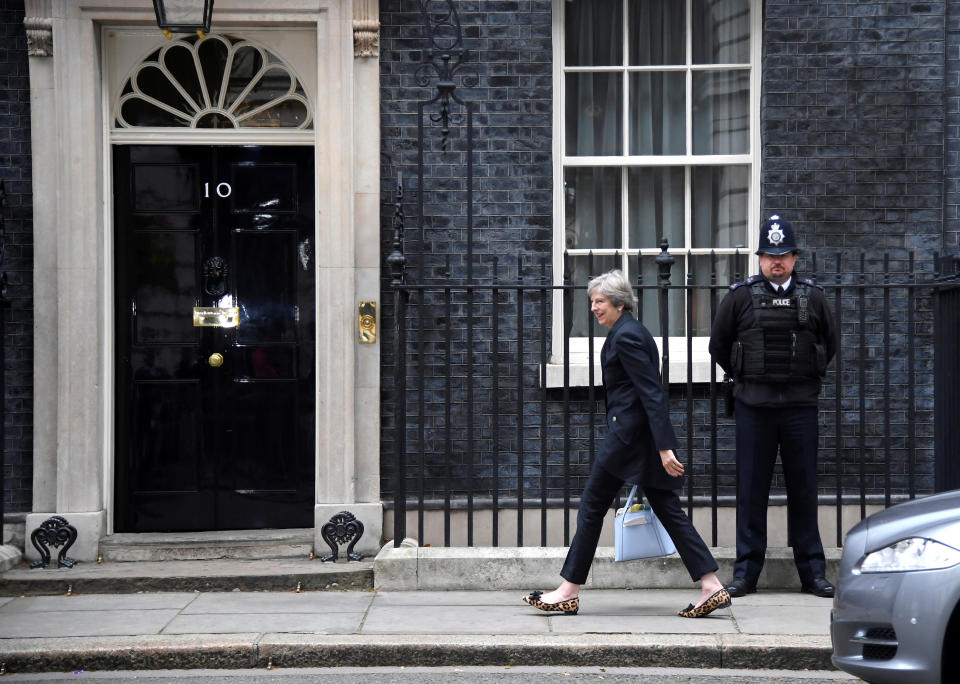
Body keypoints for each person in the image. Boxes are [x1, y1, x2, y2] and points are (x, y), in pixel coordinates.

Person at [522, 270, 730, 618]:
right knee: (667, 508)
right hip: (640, 437)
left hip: (627, 439)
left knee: (591, 505)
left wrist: (665, 448)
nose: (594, 308)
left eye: (599, 301)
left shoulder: (627, 337)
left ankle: (568, 591)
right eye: (592, 302)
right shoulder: (629, 331)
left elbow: (651, 393)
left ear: (619, 302)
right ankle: (711, 585)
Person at [708, 215, 837, 599]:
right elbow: (719, 346)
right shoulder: (739, 297)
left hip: (799, 407)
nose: (775, 262)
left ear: (795, 257)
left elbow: (829, 345)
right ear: (759, 258)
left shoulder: (813, 298)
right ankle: (746, 574)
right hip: (754, 406)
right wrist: (747, 379)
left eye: (782, 255)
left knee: (804, 489)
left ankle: (812, 573)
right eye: (768, 255)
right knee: (751, 490)